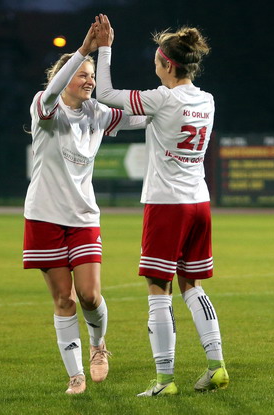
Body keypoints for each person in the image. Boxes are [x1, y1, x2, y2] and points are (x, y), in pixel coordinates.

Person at [94, 14, 228, 396]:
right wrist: (109, 123)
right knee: (192, 285)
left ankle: (165, 380)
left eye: (156, 61)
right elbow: (149, 120)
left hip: (167, 204)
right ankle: (217, 366)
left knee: (158, 289)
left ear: (168, 64)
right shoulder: (206, 100)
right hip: (199, 202)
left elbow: (106, 93)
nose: (154, 66)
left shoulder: (161, 98)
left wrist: (105, 49)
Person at [23, 23, 148, 395]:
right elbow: (51, 92)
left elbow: (142, 117)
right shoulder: (45, 106)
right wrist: (83, 50)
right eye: (82, 74)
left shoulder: (97, 113)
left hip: (83, 217)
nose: (89, 80)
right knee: (64, 299)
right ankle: (75, 374)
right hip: (44, 216)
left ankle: (98, 346)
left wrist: (173, 105)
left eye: (91, 75)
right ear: (64, 78)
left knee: (90, 295)